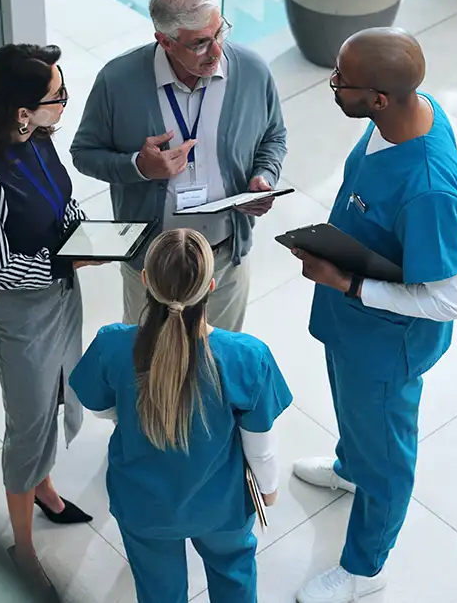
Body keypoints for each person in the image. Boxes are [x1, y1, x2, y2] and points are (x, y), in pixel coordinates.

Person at [288, 28, 457, 603]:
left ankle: (365, 569)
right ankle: (349, 465)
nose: (333, 85)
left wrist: (347, 282)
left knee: (387, 461)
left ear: (380, 100)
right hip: (352, 318)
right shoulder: (401, 114)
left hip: (386, 344)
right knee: (351, 412)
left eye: (343, 81)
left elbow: (447, 298)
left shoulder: (430, 189)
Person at [0, 44, 104, 600]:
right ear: (20, 110)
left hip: (62, 294)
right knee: (29, 421)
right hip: (24, 314)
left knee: (60, 394)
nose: (64, 105)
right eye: (56, 97)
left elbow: (64, 204)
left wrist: (88, 234)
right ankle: (23, 547)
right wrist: (66, 259)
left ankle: (45, 488)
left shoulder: (38, 141)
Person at [69, 228, 293, 603]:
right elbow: (260, 448)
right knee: (234, 577)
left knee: (159, 592)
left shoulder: (112, 344)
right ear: (212, 287)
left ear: (145, 281)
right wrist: (267, 492)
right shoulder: (247, 357)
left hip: (144, 506)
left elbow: (97, 405)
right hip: (221, 506)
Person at [70, 0, 288, 333]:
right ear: (165, 41)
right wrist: (138, 166)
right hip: (149, 262)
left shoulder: (251, 71)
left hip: (225, 258)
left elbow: (273, 135)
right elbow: (84, 153)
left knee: (217, 363)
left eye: (220, 33)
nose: (216, 51)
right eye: (200, 43)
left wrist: (265, 175)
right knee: (146, 363)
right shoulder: (117, 81)